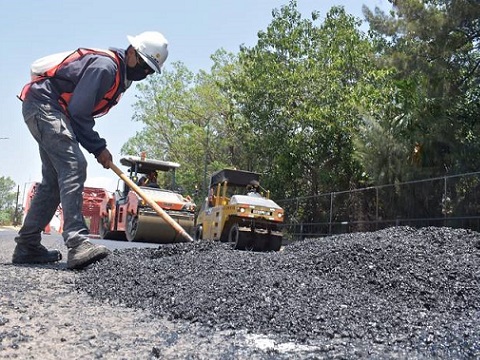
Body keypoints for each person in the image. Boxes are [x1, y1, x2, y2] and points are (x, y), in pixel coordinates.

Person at [12, 31, 169, 269]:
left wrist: (97, 147)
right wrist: (99, 148)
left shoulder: (118, 74)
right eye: (144, 65)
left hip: (51, 109)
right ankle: (77, 243)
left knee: (55, 179)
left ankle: (27, 246)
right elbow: (78, 112)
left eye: (150, 70)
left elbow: (76, 114)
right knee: (74, 165)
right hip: (44, 106)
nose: (145, 73)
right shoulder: (106, 68)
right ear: (131, 53)